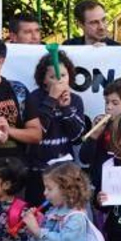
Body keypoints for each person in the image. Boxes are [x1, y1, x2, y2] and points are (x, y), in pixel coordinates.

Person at [21, 47, 88, 198]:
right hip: (39, 170)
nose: (60, 80)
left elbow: (77, 136)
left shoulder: (75, 100)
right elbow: (38, 131)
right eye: (53, 77)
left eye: (63, 75)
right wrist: (51, 100)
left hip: (65, 170)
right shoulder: (34, 98)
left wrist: (66, 109)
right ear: (44, 80)